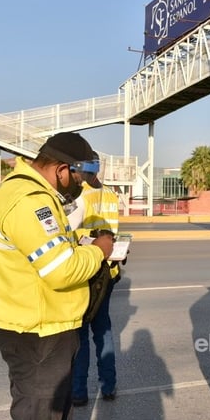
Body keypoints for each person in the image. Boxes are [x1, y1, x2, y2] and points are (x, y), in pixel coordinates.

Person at [0, 132, 114, 420]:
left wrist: (80, 244)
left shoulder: (31, 194)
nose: (79, 188)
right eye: (78, 179)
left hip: (49, 325)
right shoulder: (30, 202)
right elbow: (60, 270)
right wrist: (99, 252)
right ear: (61, 169)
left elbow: (49, 251)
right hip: (36, 334)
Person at [67, 158, 122, 406]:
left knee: (79, 332)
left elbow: (66, 230)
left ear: (79, 171)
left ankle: (79, 391)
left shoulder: (79, 197)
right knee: (103, 328)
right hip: (108, 271)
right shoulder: (110, 194)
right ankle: (108, 386)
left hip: (86, 268)